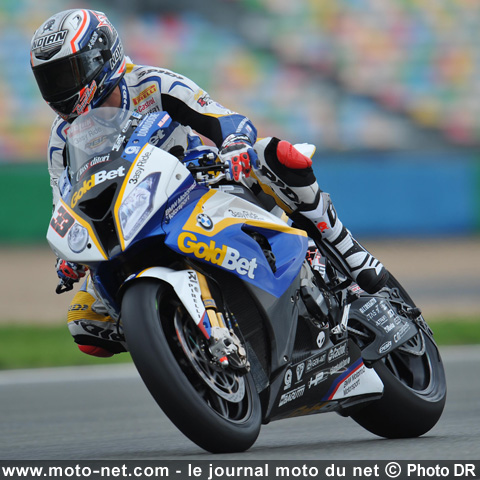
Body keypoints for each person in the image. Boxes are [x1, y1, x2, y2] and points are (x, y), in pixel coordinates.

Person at [30, 9, 388, 358]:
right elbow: (64, 201)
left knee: (272, 154)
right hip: (130, 217)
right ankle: (180, 344)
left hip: (199, 180)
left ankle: (345, 249)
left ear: (101, 58)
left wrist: (234, 144)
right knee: (84, 322)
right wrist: (67, 256)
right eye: (48, 79)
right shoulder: (61, 138)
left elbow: (221, 116)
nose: (58, 89)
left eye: (65, 74)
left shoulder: (149, 83)